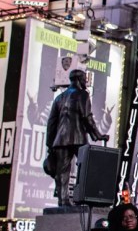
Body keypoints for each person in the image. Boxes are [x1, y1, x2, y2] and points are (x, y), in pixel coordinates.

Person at [43, 69, 109, 207]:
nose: (86, 81)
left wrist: (50, 144)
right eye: (85, 78)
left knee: (62, 172)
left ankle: (63, 201)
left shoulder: (59, 98)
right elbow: (87, 117)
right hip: (77, 138)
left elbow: (51, 123)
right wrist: (97, 135)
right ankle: (86, 198)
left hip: (60, 140)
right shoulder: (82, 94)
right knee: (88, 168)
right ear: (78, 79)